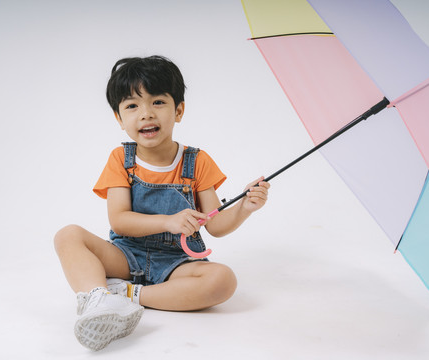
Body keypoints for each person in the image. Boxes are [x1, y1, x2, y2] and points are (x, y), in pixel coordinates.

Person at [54, 55, 270, 351]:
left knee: (223, 280)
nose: (146, 114)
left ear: (178, 110)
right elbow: (119, 219)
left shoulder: (198, 162)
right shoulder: (121, 160)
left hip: (177, 262)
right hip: (126, 255)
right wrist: (168, 221)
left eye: (158, 102)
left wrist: (244, 207)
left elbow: (216, 225)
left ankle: (128, 295)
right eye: (132, 106)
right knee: (68, 235)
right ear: (119, 119)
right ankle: (98, 297)